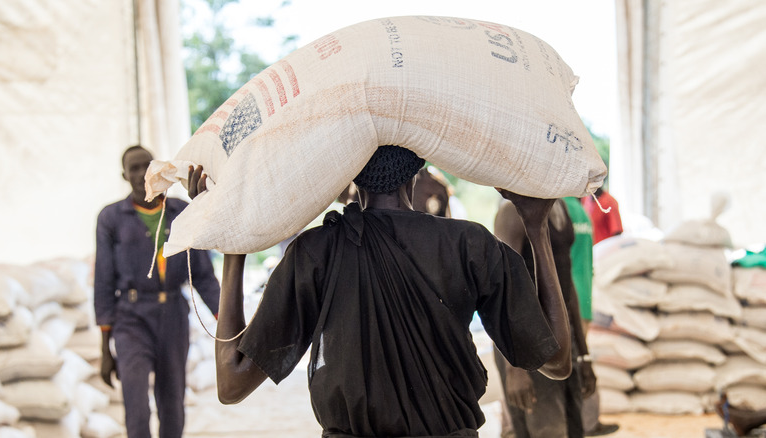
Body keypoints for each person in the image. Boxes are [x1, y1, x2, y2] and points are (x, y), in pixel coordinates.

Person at [188, 145, 573, 437]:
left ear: (349, 170)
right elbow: (556, 362)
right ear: (419, 169)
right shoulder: (469, 245)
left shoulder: (315, 252)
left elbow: (232, 382)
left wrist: (233, 247)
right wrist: (535, 228)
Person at [94, 145, 221, 438]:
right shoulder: (111, 218)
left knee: (172, 400)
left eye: (146, 167)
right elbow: (103, 282)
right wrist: (105, 348)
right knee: (136, 400)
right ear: (123, 175)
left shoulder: (181, 211)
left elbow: (203, 274)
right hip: (130, 319)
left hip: (173, 315)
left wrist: (224, 317)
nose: (140, 174)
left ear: (158, 170)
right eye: (133, 169)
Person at [493, 199, 597, 438]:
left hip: (561, 337)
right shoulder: (513, 211)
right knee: (546, 430)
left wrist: (583, 353)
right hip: (527, 343)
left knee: (573, 429)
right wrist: (514, 368)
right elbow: (503, 285)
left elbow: (565, 282)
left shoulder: (560, 207)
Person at [563, 196, 619, 437]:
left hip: (565, 299)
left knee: (570, 365)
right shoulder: (581, 210)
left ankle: (582, 423)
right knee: (579, 359)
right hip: (583, 296)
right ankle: (586, 421)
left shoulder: (558, 209)